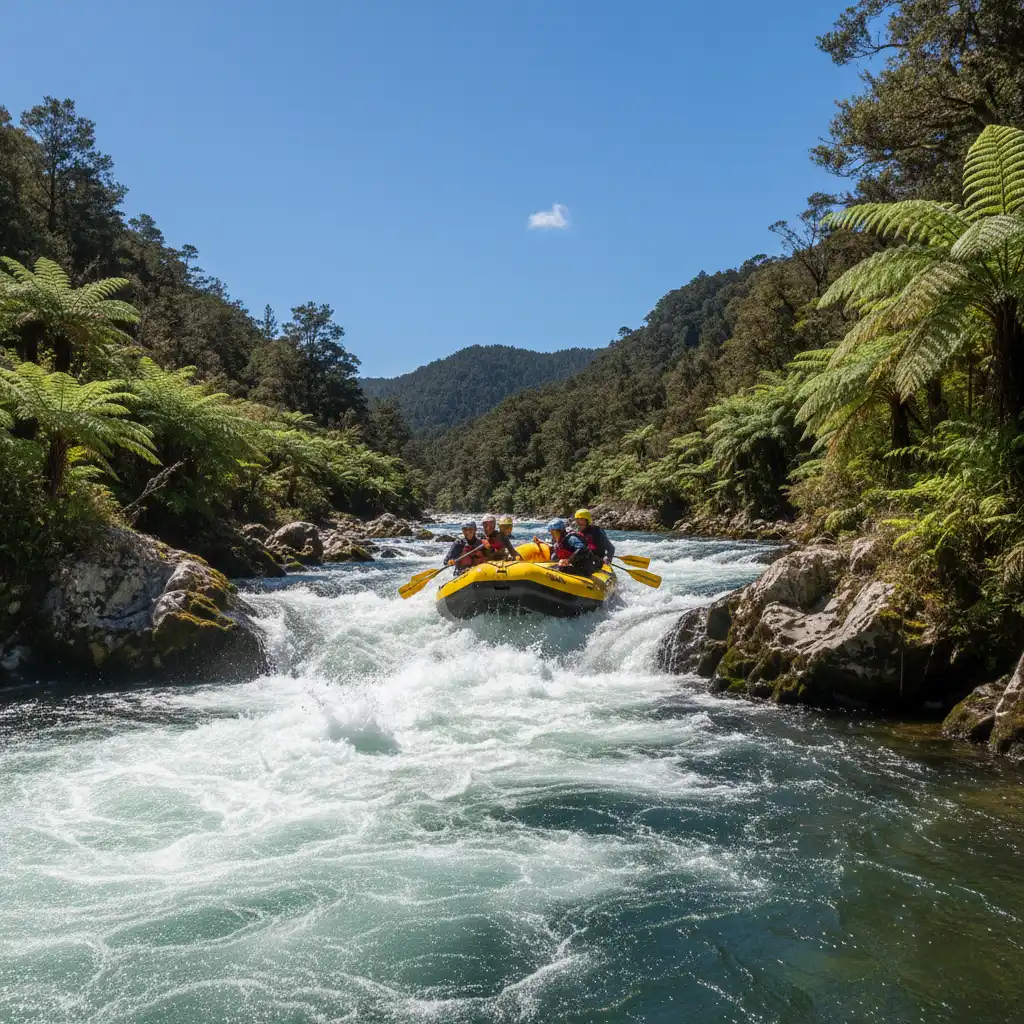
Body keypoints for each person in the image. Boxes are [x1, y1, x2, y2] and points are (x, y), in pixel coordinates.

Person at [571, 508, 615, 574]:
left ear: (587, 520)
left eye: (581, 519)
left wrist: (608, 558)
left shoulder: (597, 531)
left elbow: (611, 548)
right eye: (577, 519)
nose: (578, 521)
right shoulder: (576, 532)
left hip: (596, 560)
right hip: (582, 559)